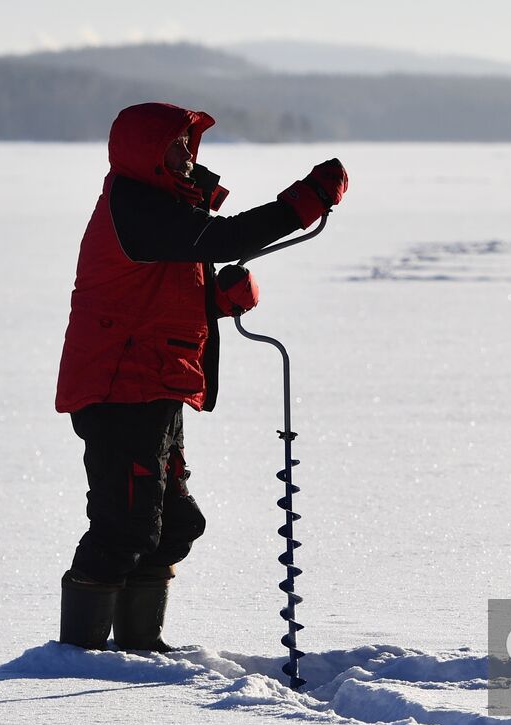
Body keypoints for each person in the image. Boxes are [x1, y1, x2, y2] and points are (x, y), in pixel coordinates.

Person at [54, 101, 348, 651]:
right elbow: (224, 240)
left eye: (189, 145)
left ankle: (139, 648)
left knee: (174, 524)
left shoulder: (161, 208)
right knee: (125, 527)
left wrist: (214, 300)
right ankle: (81, 658)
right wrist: (302, 204)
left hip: (157, 385)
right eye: (174, 145)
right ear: (146, 154)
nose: (186, 155)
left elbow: (153, 295)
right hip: (120, 390)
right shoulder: (136, 205)